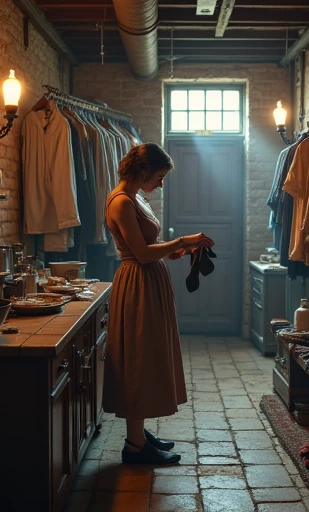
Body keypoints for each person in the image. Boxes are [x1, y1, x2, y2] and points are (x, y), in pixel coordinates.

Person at [103, 142, 214, 465]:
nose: (162, 183)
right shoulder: (121, 202)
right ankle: (135, 447)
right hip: (137, 282)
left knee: (146, 358)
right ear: (144, 171)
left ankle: (138, 435)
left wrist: (181, 251)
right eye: (160, 176)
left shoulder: (135, 198)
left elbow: (150, 246)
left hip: (148, 281)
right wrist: (182, 241)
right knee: (138, 359)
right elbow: (140, 254)